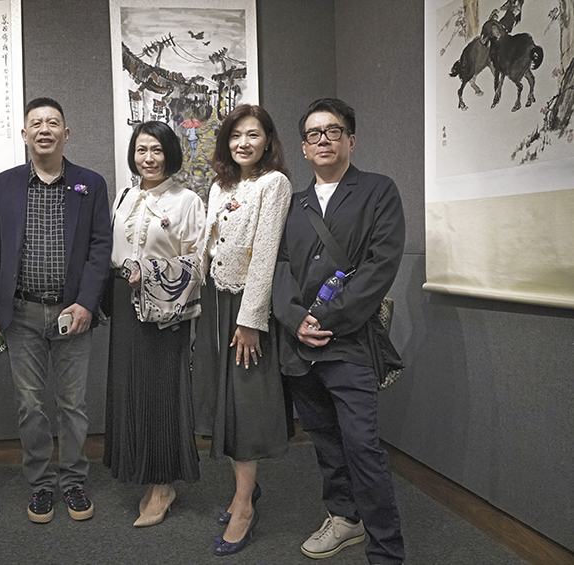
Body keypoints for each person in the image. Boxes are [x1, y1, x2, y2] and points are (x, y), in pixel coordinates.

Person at [272, 98, 406, 565]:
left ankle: (386, 550)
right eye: (314, 134)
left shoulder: (377, 190)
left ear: (351, 139)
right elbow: (278, 266)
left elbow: (380, 265)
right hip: (298, 345)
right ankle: (344, 517)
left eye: (333, 131)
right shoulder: (293, 203)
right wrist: (295, 319)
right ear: (304, 148)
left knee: (362, 446)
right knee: (326, 441)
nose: (323, 139)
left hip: (349, 342)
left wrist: (323, 320)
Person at [0, 98, 112, 524]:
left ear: (66, 134)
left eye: (53, 123)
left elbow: (100, 248)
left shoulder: (90, 183)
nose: (44, 129)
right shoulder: (5, 184)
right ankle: (40, 484)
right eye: (36, 123)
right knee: (30, 405)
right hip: (21, 314)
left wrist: (87, 303)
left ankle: (73, 481)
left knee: (73, 404)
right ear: (24, 134)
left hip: (74, 313)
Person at [201, 104, 292, 555]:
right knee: (225, 399)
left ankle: (244, 506)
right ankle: (244, 489)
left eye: (253, 135)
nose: (243, 143)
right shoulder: (220, 185)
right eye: (236, 135)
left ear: (268, 140)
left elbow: (266, 254)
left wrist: (251, 320)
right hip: (217, 299)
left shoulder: (274, 184)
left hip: (246, 305)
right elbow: (209, 245)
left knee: (246, 403)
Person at [104, 121, 206, 527]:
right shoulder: (125, 195)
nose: (148, 158)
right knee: (132, 390)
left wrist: (150, 272)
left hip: (165, 310)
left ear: (171, 154)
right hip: (125, 305)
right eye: (141, 150)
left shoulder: (187, 200)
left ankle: (163, 485)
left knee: (163, 393)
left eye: (157, 150)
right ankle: (146, 474)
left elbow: (198, 261)